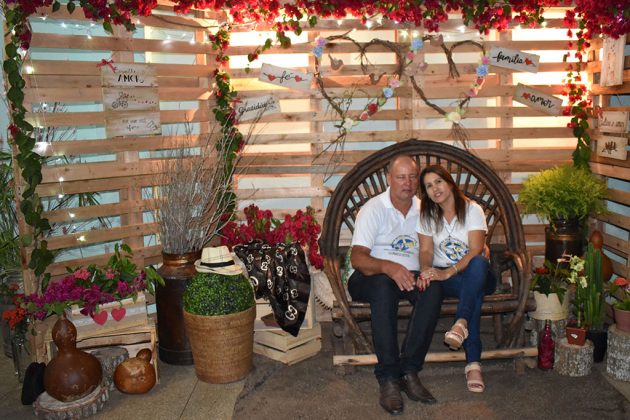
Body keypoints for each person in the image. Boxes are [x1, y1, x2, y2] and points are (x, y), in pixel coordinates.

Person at [348, 155, 442, 415]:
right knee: (383, 286)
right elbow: (358, 259)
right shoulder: (373, 209)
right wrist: (388, 267)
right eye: (401, 177)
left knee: (433, 287)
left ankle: (409, 371)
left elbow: (450, 232)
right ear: (389, 179)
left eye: (412, 177)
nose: (407, 183)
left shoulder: (424, 209)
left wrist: (479, 247)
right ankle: (388, 377)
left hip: (410, 274)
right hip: (370, 277)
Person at [416, 164, 493, 393]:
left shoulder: (472, 210)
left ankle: (461, 324)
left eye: (438, 182)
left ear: (449, 182)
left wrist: (448, 271)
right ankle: (472, 359)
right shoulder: (427, 215)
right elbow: (425, 250)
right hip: (450, 281)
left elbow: (476, 249)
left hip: (477, 275)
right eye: (429, 186)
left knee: (478, 264)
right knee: (472, 294)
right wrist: (427, 269)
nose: (435, 189)